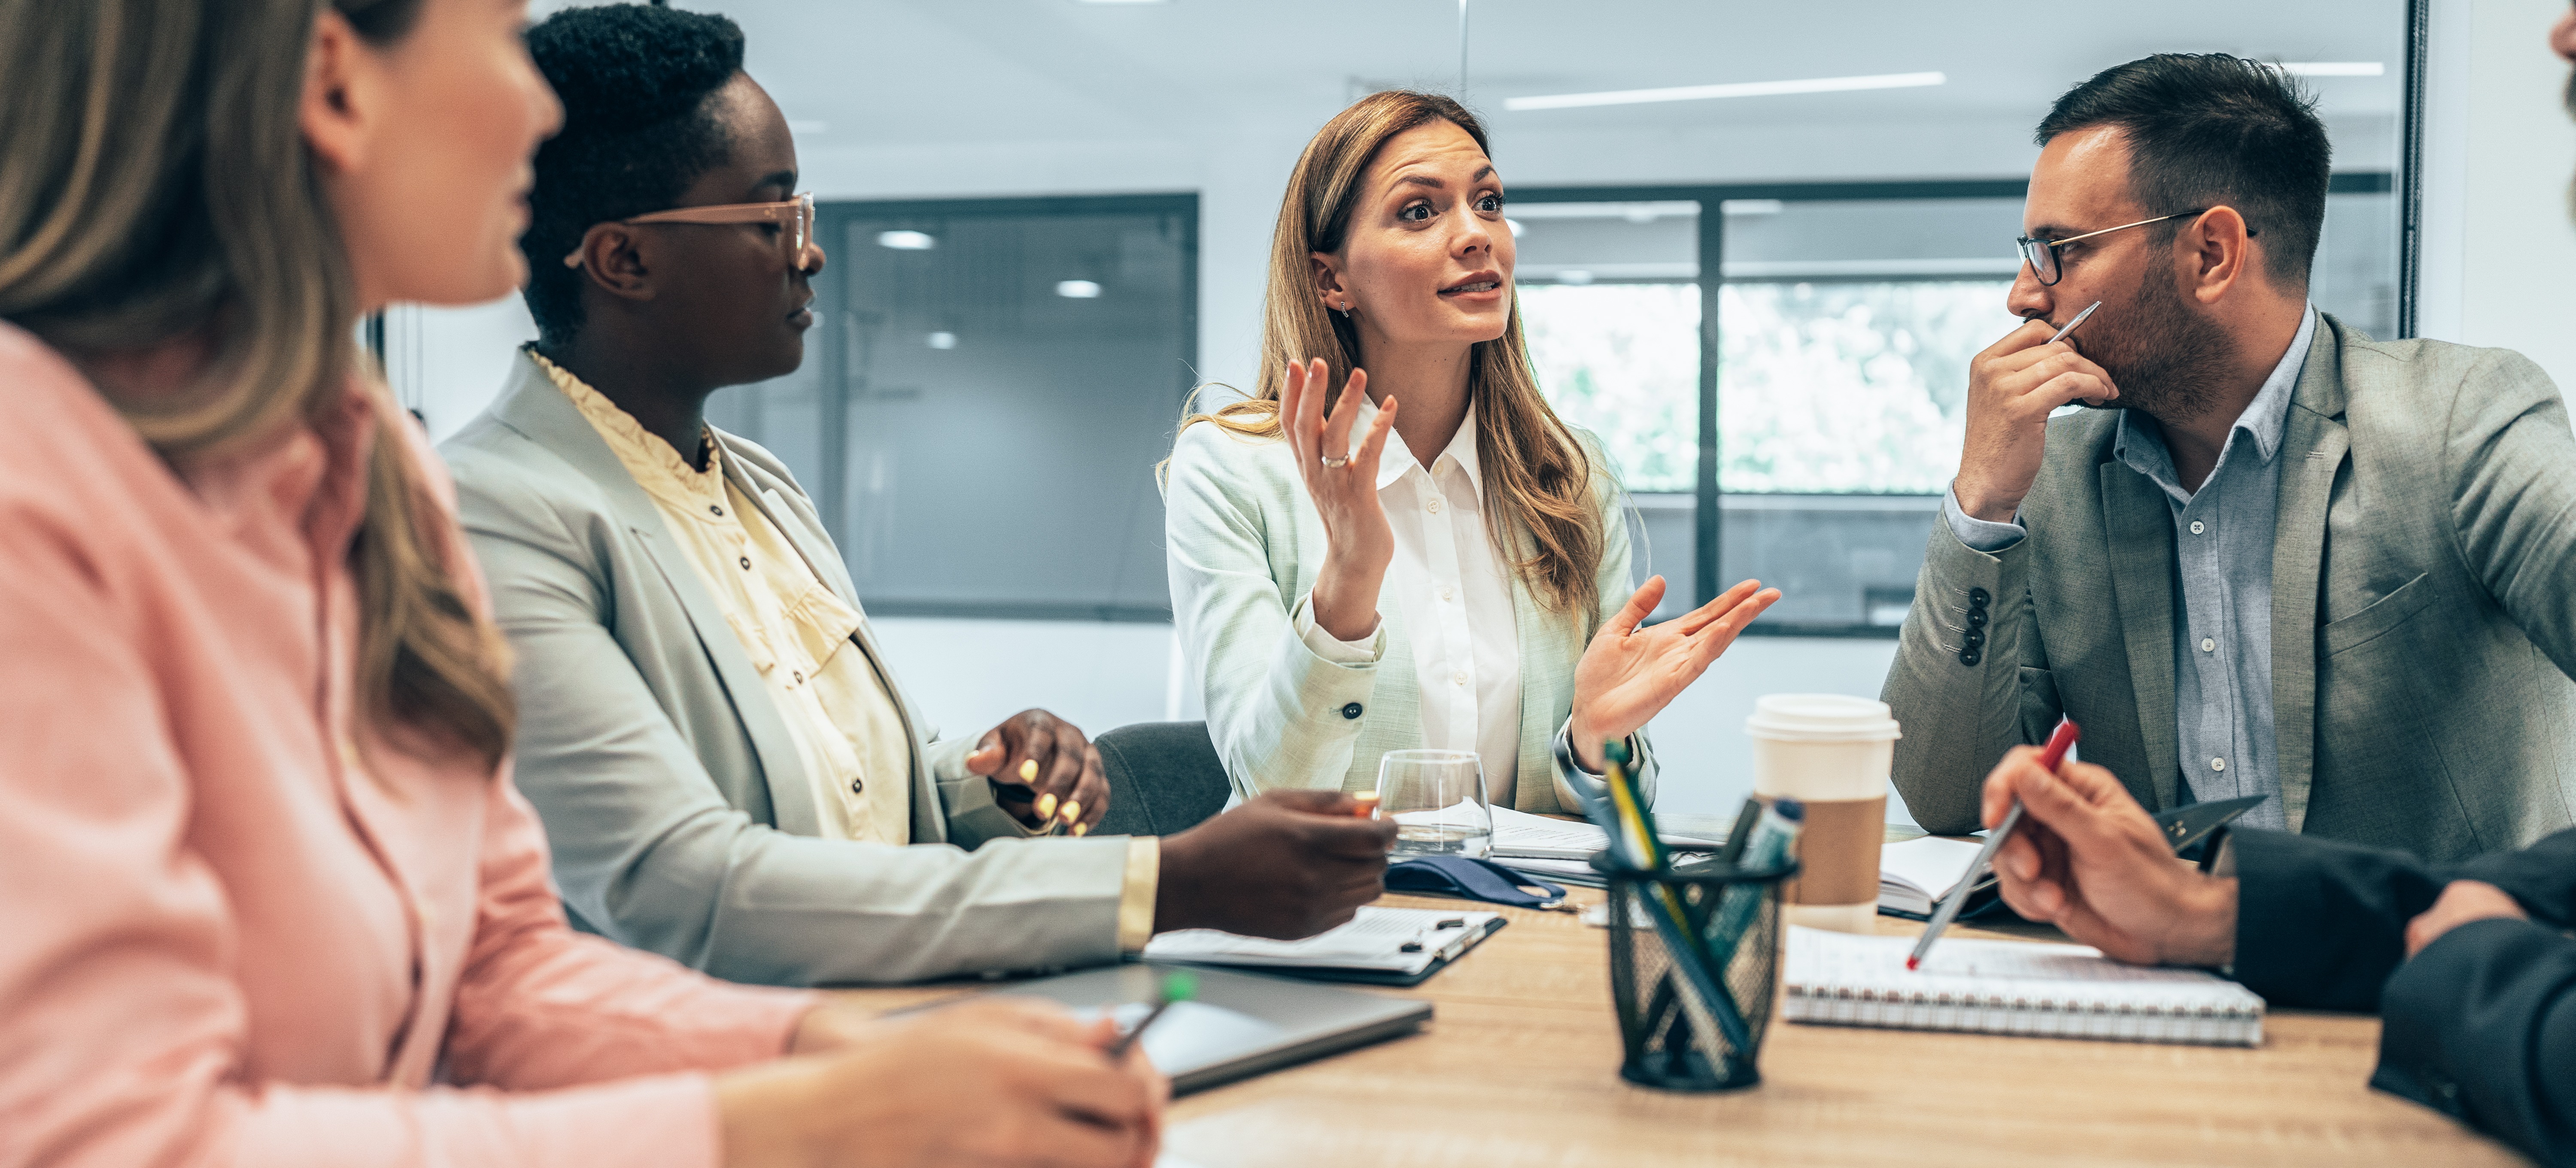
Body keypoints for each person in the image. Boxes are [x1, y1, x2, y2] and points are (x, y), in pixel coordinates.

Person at [0, 0, 1164, 1165]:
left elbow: (498, 971)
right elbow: (101, 1138)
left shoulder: (372, 461)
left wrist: (836, 1053)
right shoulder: (34, 481)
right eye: (504, 40)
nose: (539, 107)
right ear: (334, 81)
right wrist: (792, 1121)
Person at [440, 4, 1394, 989]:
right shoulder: (493, 516)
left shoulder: (756, 483)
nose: (808, 252)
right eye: (773, 218)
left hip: (896, 1022)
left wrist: (992, 783)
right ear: (623, 260)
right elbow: (692, 889)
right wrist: (1164, 883)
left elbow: (863, 803)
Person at [1882, 53, 2576, 861]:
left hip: (2426, 972)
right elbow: (1942, 794)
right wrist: (1981, 509)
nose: (2025, 295)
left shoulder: (2459, 419)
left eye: (2060, 250)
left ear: (2212, 253)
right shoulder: (2058, 481)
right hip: (2161, 976)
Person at [1162, 90, 1779, 814]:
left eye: (1487, 202)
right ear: (1333, 280)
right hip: (1324, 920)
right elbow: (1272, 791)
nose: (1476, 234)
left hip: (1523, 921)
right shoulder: (1230, 472)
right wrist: (1347, 589)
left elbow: (1616, 817)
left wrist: (1594, 745)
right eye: (1420, 211)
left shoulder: (1571, 477)